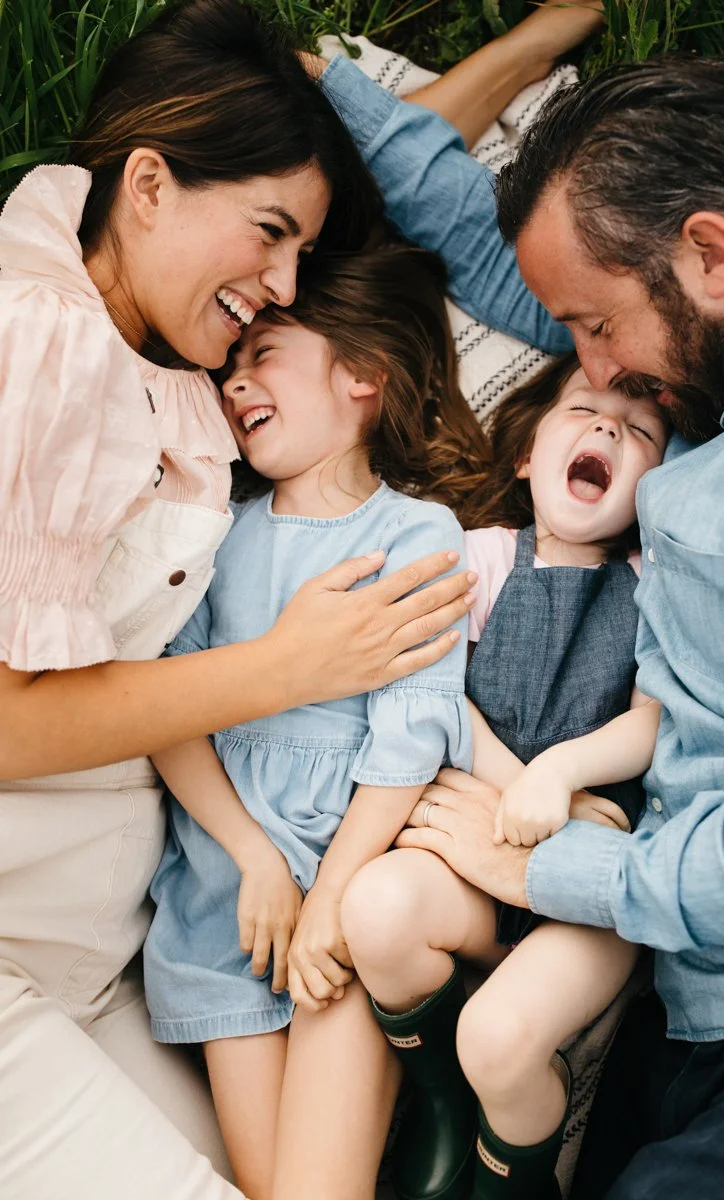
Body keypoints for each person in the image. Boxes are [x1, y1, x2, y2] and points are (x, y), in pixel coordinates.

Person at [0, 2, 489, 1196]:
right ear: (148, 185)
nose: (279, 287)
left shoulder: (181, 349)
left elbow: (364, 243)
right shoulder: (38, 338)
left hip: (115, 948)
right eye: (269, 234)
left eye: (300, 256)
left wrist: (523, 49)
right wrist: (290, 667)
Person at [330, 52, 724, 1200]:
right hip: (688, 1005)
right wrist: (304, 75)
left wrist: (565, 869)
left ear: (710, 253)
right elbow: (485, 241)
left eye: (593, 326)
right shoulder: (712, 372)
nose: (588, 371)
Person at [142, 244, 491, 1200]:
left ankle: (427, 1080)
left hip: (344, 885)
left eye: (264, 353)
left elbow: (411, 735)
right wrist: (253, 857)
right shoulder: (214, 531)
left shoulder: (412, 534)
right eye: (231, 366)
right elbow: (167, 710)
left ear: (362, 376)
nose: (234, 380)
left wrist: (331, 896)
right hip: (225, 905)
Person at [342, 353, 668, 1200]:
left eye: (640, 431)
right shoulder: (478, 557)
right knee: (375, 909)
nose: (608, 426)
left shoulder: (654, 586)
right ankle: (444, 1099)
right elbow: (436, 693)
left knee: (498, 1039)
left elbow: (648, 721)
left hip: (589, 893)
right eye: (584, 410)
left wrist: (559, 775)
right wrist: (513, 788)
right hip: (476, 851)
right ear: (526, 456)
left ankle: (513, 1170)